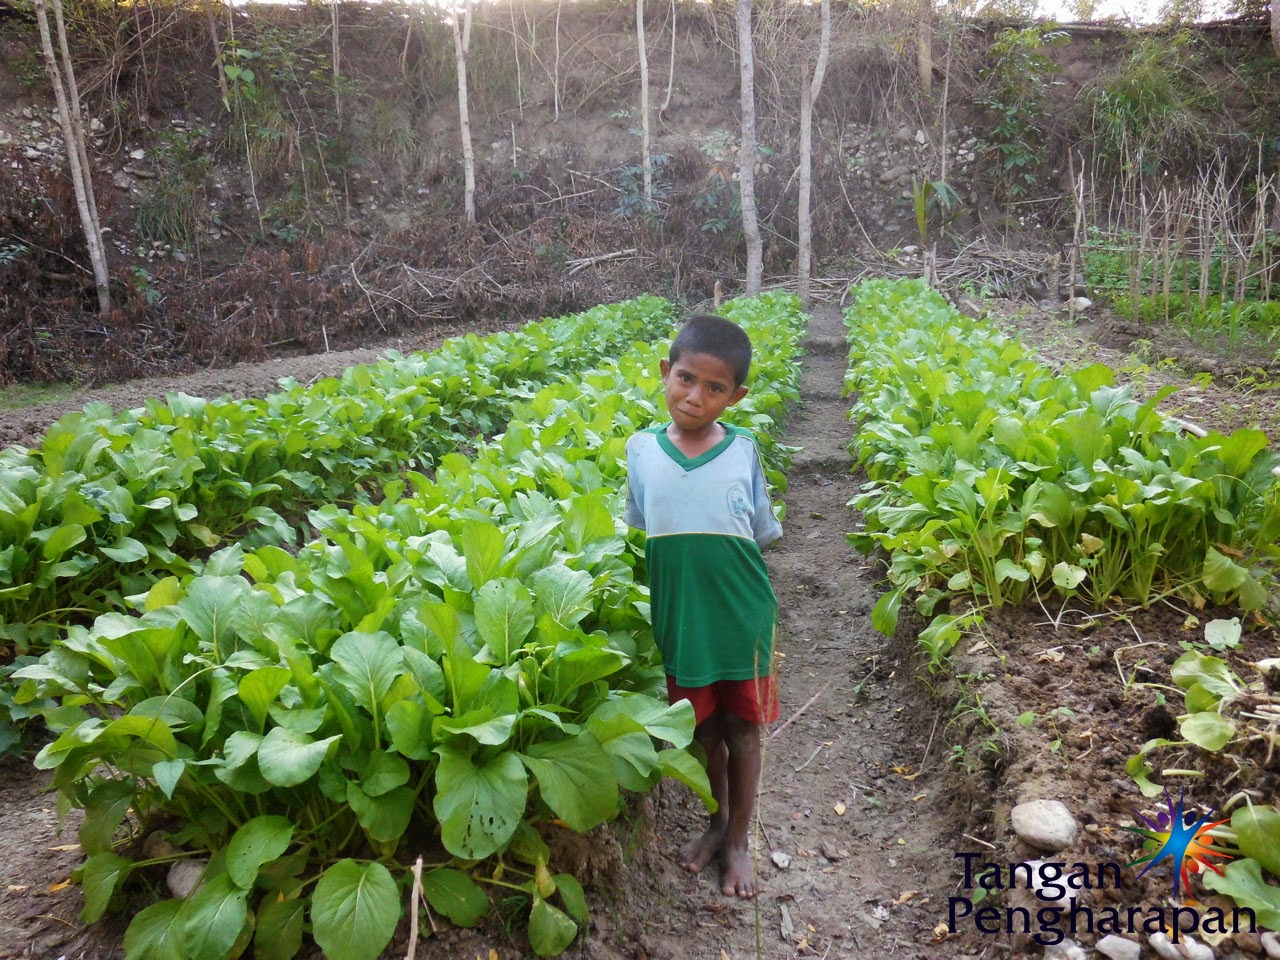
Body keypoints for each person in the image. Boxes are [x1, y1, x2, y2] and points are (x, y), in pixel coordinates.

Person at [623, 314, 782, 899]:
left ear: (735, 396)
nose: (696, 396)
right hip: (680, 618)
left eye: (715, 389)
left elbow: (760, 532)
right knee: (702, 730)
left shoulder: (744, 449)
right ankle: (716, 821)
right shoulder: (641, 450)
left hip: (742, 617)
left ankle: (739, 840)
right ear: (666, 373)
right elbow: (644, 523)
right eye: (686, 379)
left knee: (743, 729)